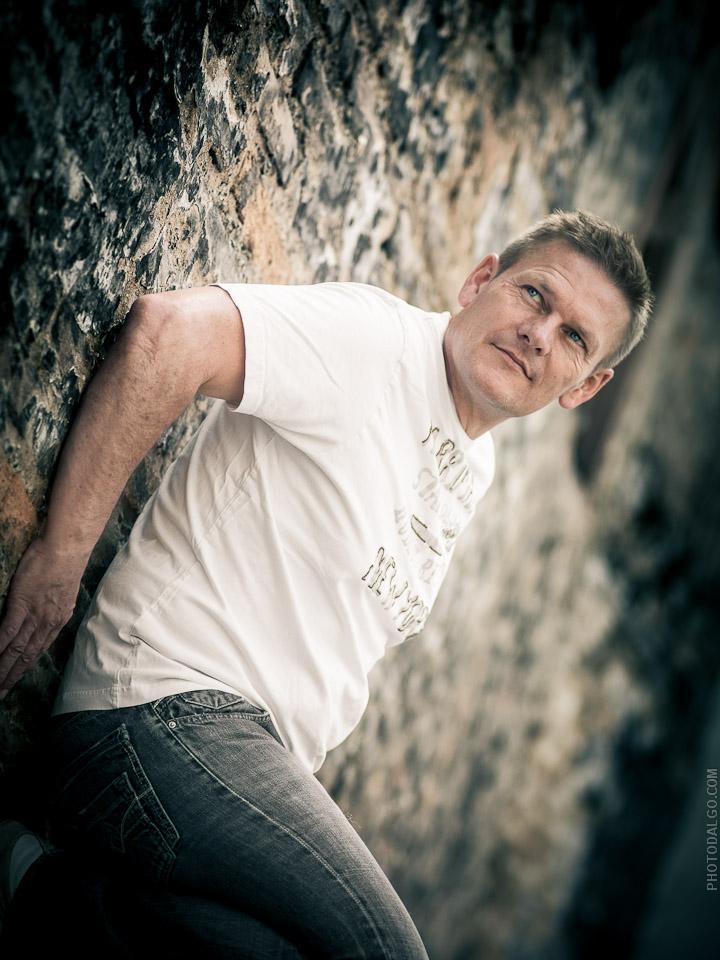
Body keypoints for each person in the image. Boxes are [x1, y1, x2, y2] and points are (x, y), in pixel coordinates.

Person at [0, 209, 652, 958]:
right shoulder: (377, 344)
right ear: (481, 282)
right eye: (535, 295)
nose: (540, 333)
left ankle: (37, 892)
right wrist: (61, 555)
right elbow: (168, 333)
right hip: (154, 711)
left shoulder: (473, 466)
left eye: (574, 337)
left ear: (585, 386)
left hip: (236, 766)